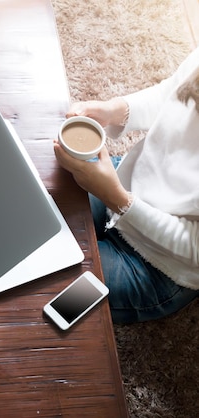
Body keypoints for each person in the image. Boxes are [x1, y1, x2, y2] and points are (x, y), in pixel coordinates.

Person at [53, 47, 199, 324]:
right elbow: (173, 92)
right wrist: (115, 110)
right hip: (124, 184)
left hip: (155, 265)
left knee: (54, 293)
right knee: (31, 222)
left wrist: (118, 199)